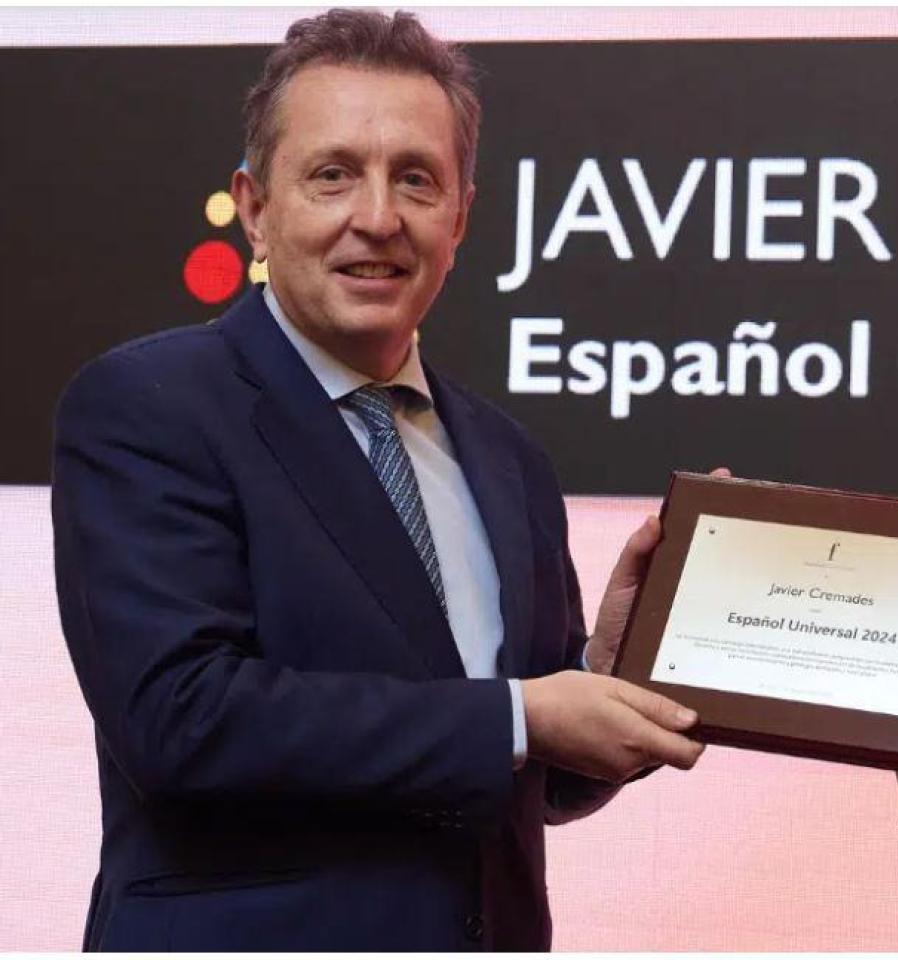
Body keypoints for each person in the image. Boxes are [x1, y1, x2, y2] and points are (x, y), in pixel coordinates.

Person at [51, 9, 704, 950]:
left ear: (462, 219)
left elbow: (533, 770)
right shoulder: (146, 406)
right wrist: (521, 714)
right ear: (257, 206)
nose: (379, 217)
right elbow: (181, 719)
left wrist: (603, 676)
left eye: (416, 180)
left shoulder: (507, 455)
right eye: (332, 174)